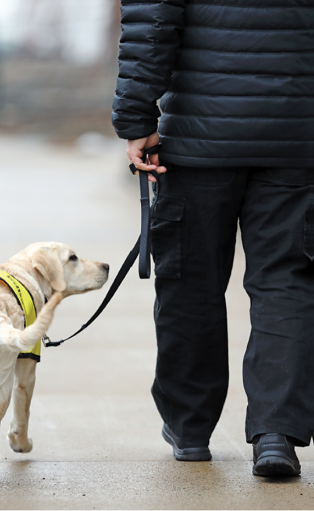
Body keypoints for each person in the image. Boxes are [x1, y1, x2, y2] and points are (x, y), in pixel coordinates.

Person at [112, 0, 314, 477]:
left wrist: (136, 118)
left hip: (200, 137)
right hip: (295, 134)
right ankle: (276, 433)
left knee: (191, 281)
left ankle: (189, 428)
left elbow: (153, 23)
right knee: (286, 280)